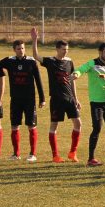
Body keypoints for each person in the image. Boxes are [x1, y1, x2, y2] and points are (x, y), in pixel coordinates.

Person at [31, 27, 81, 163]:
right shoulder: (50, 61)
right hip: (57, 100)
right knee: (54, 126)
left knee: (78, 124)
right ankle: (55, 155)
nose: (66, 51)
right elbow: (36, 56)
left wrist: (76, 99)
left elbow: (72, 81)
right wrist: (35, 40)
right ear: (57, 49)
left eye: (67, 49)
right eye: (64, 49)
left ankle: (73, 153)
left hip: (70, 99)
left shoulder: (69, 62)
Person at [0, 39, 45, 161]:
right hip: (15, 99)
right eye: (18, 49)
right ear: (14, 50)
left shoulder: (31, 62)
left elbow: (38, 80)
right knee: (14, 126)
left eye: (23, 48)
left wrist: (42, 98)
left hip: (30, 99)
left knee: (31, 126)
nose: (21, 50)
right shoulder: (9, 61)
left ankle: (32, 154)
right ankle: (16, 154)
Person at [74, 42, 105, 166]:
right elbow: (81, 69)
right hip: (96, 103)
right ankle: (91, 158)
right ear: (100, 52)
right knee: (97, 128)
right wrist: (76, 74)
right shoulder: (92, 63)